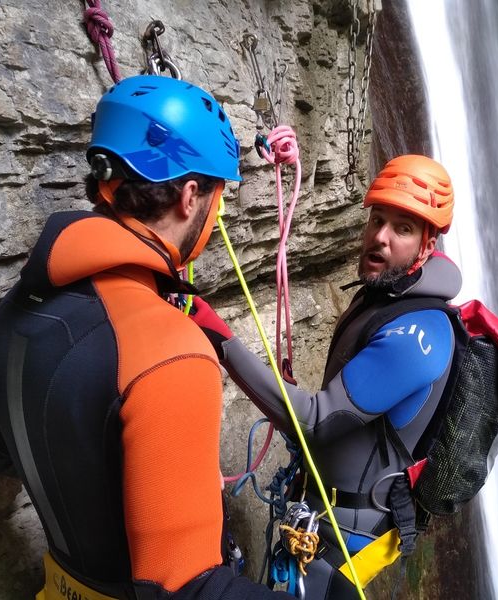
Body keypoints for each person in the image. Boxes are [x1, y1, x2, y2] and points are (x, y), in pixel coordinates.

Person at [0, 74, 293, 600]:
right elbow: (189, 591)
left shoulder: (17, 303)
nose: (217, 217)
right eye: (218, 198)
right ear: (191, 196)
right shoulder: (171, 352)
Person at [192, 154, 459, 598]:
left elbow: (316, 421)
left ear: (428, 245)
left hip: (347, 539)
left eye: (403, 228)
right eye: (377, 219)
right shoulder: (381, 299)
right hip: (325, 514)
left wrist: (220, 339)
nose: (381, 237)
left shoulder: (418, 335)